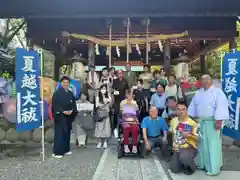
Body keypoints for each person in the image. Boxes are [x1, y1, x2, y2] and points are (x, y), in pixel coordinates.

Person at [188, 74, 229, 176]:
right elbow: (192, 107)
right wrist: (191, 118)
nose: (205, 81)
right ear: (200, 81)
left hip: (212, 123)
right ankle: (202, 164)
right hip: (200, 122)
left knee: (212, 145)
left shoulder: (218, 92)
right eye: (203, 79)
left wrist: (219, 120)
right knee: (201, 144)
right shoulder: (198, 93)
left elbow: (221, 106)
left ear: (211, 80)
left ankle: (213, 168)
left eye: (207, 79)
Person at [170, 100, 198, 175]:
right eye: (178, 109)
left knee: (184, 158)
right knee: (174, 170)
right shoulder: (173, 121)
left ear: (187, 110)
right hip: (177, 148)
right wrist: (173, 146)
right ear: (176, 110)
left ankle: (192, 166)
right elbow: (173, 134)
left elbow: (198, 139)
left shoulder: (192, 123)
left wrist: (188, 135)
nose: (181, 111)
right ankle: (182, 161)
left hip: (188, 147)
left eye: (183, 109)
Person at [52, 76, 77, 158]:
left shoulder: (70, 93)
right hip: (60, 116)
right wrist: (63, 111)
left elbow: (73, 104)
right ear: (61, 83)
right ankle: (57, 152)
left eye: (67, 82)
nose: (65, 84)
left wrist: (72, 111)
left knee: (67, 133)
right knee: (60, 133)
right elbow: (55, 105)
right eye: (64, 82)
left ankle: (66, 149)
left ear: (69, 84)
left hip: (68, 116)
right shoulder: (57, 93)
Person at [120, 89, 139, 153]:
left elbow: (136, 111)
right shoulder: (122, 102)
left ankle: (134, 146)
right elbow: (121, 112)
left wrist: (132, 104)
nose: (130, 96)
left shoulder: (134, 102)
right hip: (125, 118)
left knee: (135, 128)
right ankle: (126, 145)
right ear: (126, 95)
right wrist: (127, 104)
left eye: (131, 95)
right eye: (128, 95)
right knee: (126, 127)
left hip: (133, 118)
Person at [112, 70, 129, 137]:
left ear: (122, 74)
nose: (120, 74)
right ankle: (114, 128)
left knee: (123, 114)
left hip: (123, 100)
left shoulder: (125, 81)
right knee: (116, 114)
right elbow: (113, 90)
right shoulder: (115, 81)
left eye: (121, 73)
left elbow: (127, 90)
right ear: (117, 74)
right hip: (116, 100)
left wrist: (127, 98)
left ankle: (123, 128)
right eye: (118, 73)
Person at [95, 84, 112, 148]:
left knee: (106, 128)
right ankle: (99, 142)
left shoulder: (108, 96)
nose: (103, 90)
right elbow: (96, 105)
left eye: (104, 89)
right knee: (99, 128)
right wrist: (102, 105)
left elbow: (110, 105)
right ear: (100, 90)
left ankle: (105, 142)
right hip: (100, 114)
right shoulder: (98, 97)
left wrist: (108, 102)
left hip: (106, 114)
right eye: (102, 89)